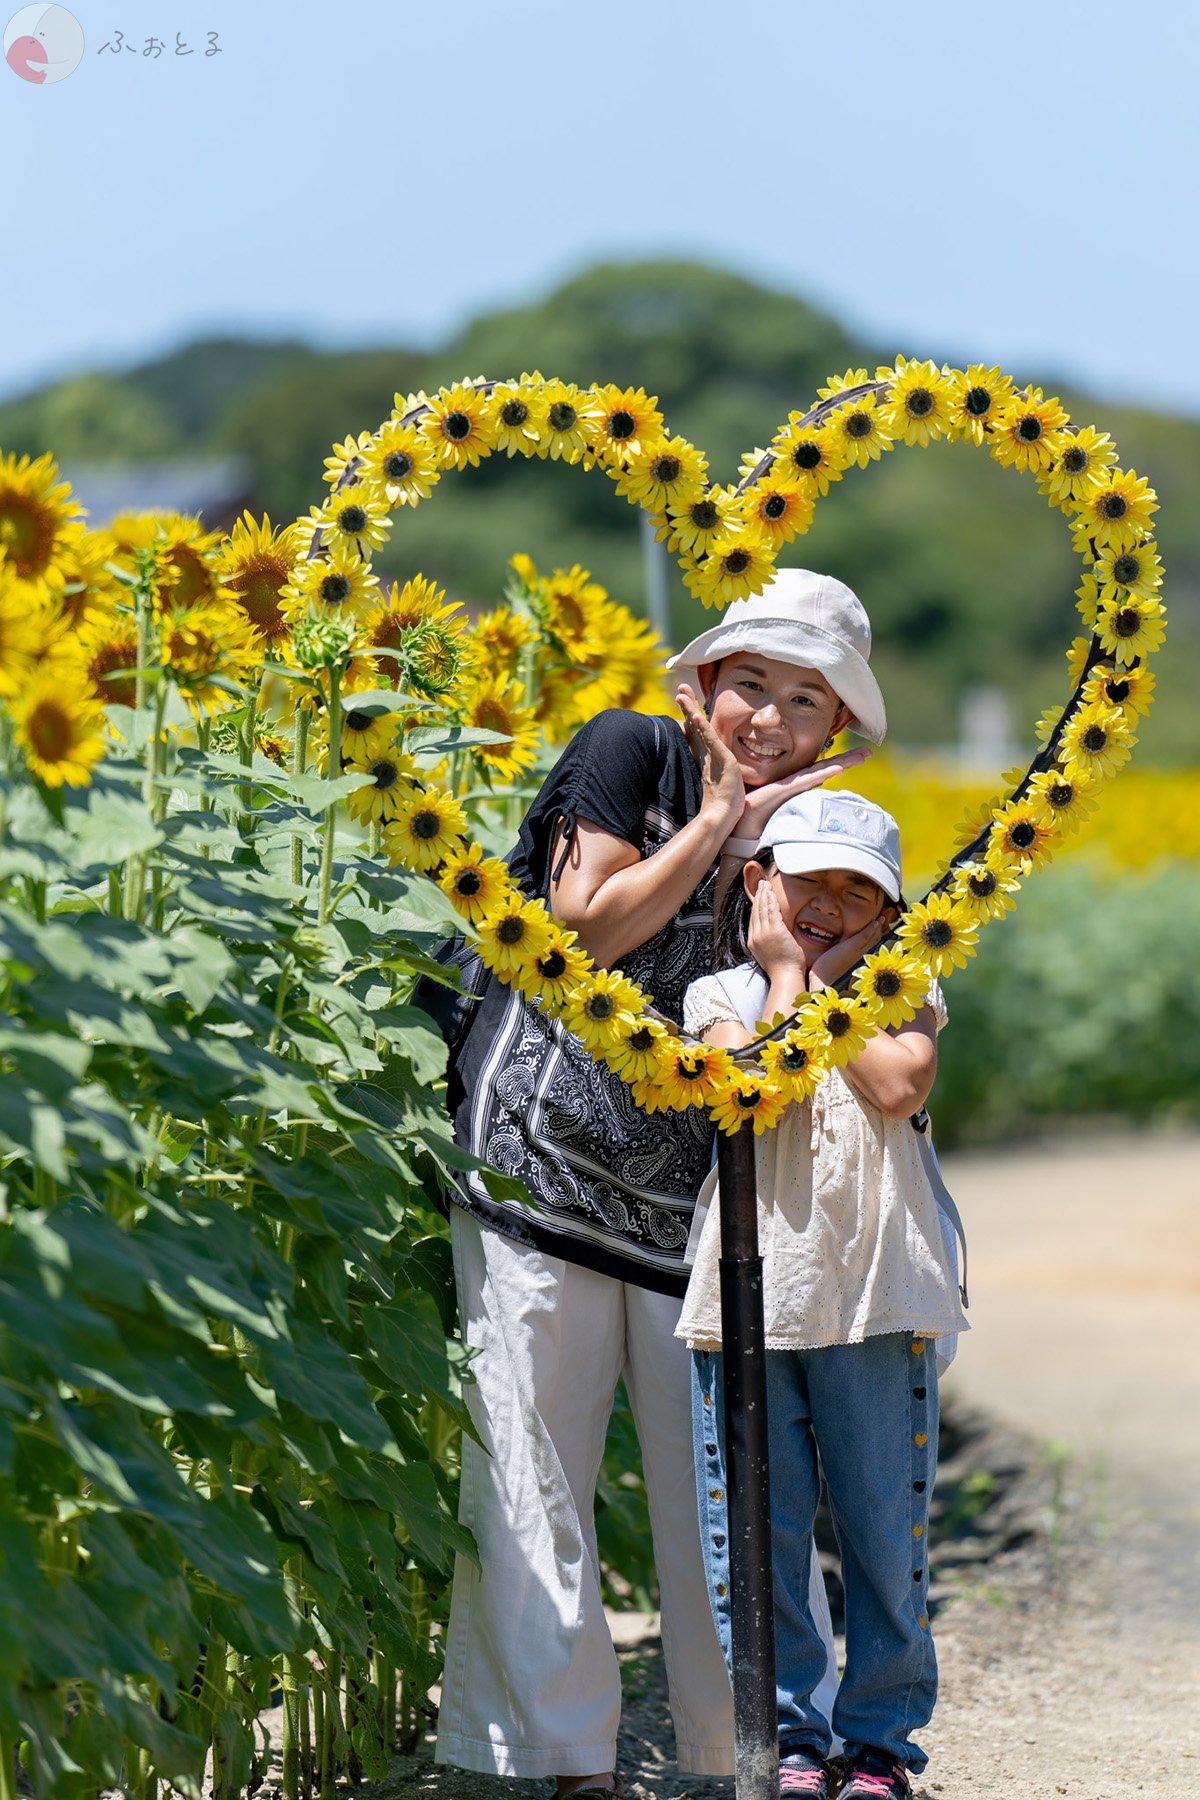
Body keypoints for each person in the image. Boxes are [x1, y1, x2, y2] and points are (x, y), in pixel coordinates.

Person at [434, 570, 889, 1796]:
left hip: (698, 1200)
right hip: (532, 1162)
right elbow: (585, 926)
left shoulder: (824, 839)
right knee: (534, 1467)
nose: (771, 720)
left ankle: (744, 1751)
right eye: (751, 685)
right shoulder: (629, 751)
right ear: (699, 688)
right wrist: (717, 826)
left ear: (837, 730)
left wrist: (792, 875)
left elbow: (833, 1013)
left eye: (806, 702)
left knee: (718, 1488)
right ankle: (556, 1764)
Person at [677, 791, 969, 1800]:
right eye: (809, 882)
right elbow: (750, 1088)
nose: (832, 904)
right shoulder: (716, 992)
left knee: (886, 1529)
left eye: (860, 892)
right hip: (747, 1302)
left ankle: (882, 1740)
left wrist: (800, 980)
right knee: (760, 1530)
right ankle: (791, 1736)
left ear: (890, 916)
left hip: (876, 1297)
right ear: (759, 884)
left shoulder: (904, 982)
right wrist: (789, 976)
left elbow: (897, 1085)